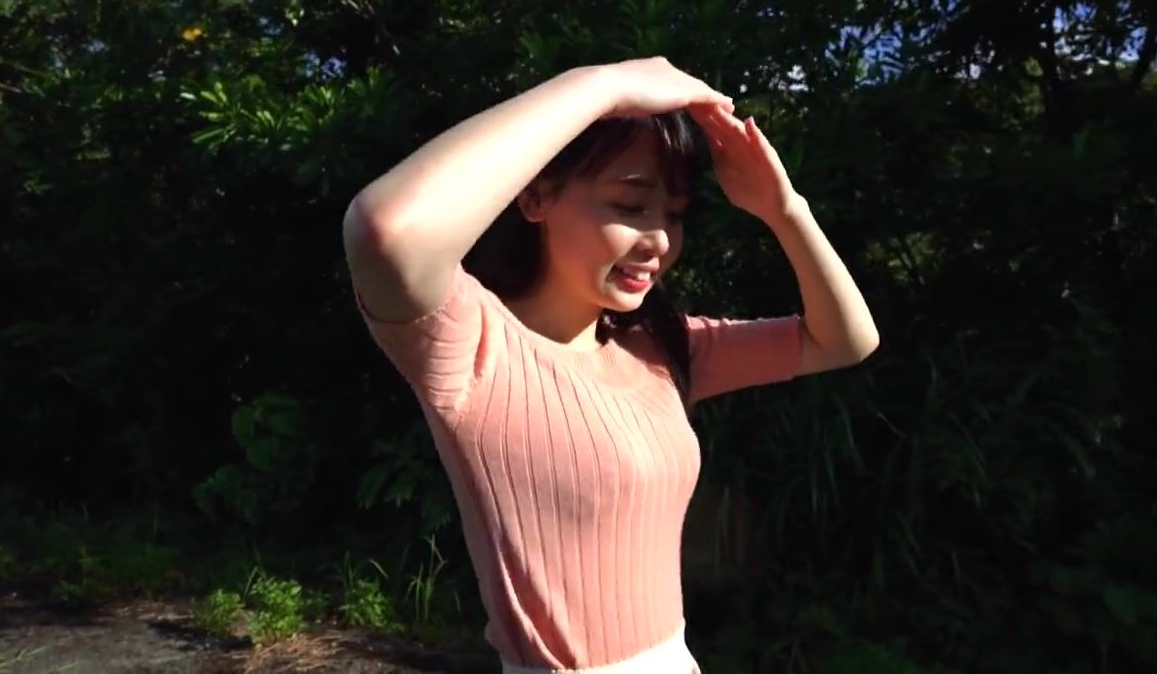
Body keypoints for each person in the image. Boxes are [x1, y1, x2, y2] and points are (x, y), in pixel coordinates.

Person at [343, 56, 879, 674]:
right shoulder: (471, 344)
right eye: (630, 204)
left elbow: (845, 340)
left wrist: (784, 209)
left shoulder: (661, 346)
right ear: (537, 194)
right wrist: (604, 85)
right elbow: (386, 229)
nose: (660, 241)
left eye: (674, 215)